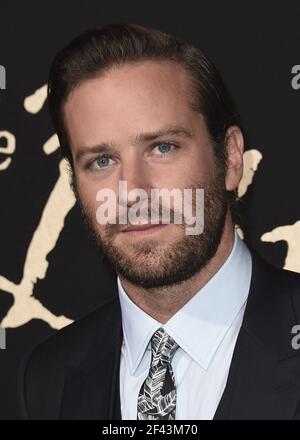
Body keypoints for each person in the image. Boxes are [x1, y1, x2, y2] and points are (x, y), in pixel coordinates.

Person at [19, 23, 300, 420]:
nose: (132, 190)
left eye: (162, 147)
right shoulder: (47, 377)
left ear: (231, 160)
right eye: (102, 161)